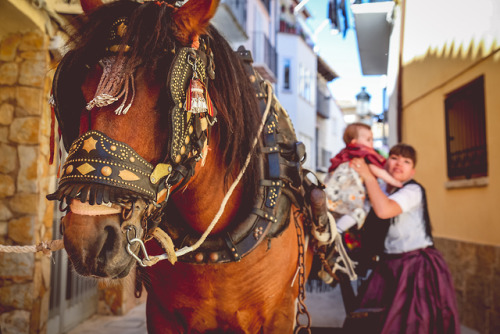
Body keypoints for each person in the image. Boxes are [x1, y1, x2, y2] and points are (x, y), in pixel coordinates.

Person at [348, 143, 460, 334]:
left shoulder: (413, 191)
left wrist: (368, 175)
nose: (399, 163)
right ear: (385, 163)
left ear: (412, 171)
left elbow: (384, 210)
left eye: (406, 161)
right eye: (394, 158)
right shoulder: (382, 188)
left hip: (416, 266)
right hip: (388, 265)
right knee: (375, 321)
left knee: (413, 323)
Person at [324, 122, 402, 234]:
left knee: (337, 211)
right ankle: (338, 230)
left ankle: (333, 229)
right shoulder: (362, 155)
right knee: (359, 211)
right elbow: (377, 171)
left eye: (372, 139)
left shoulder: (344, 154)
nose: (371, 143)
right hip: (351, 192)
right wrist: (393, 181)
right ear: (354, 142)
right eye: (368, 139)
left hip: (335, 191)